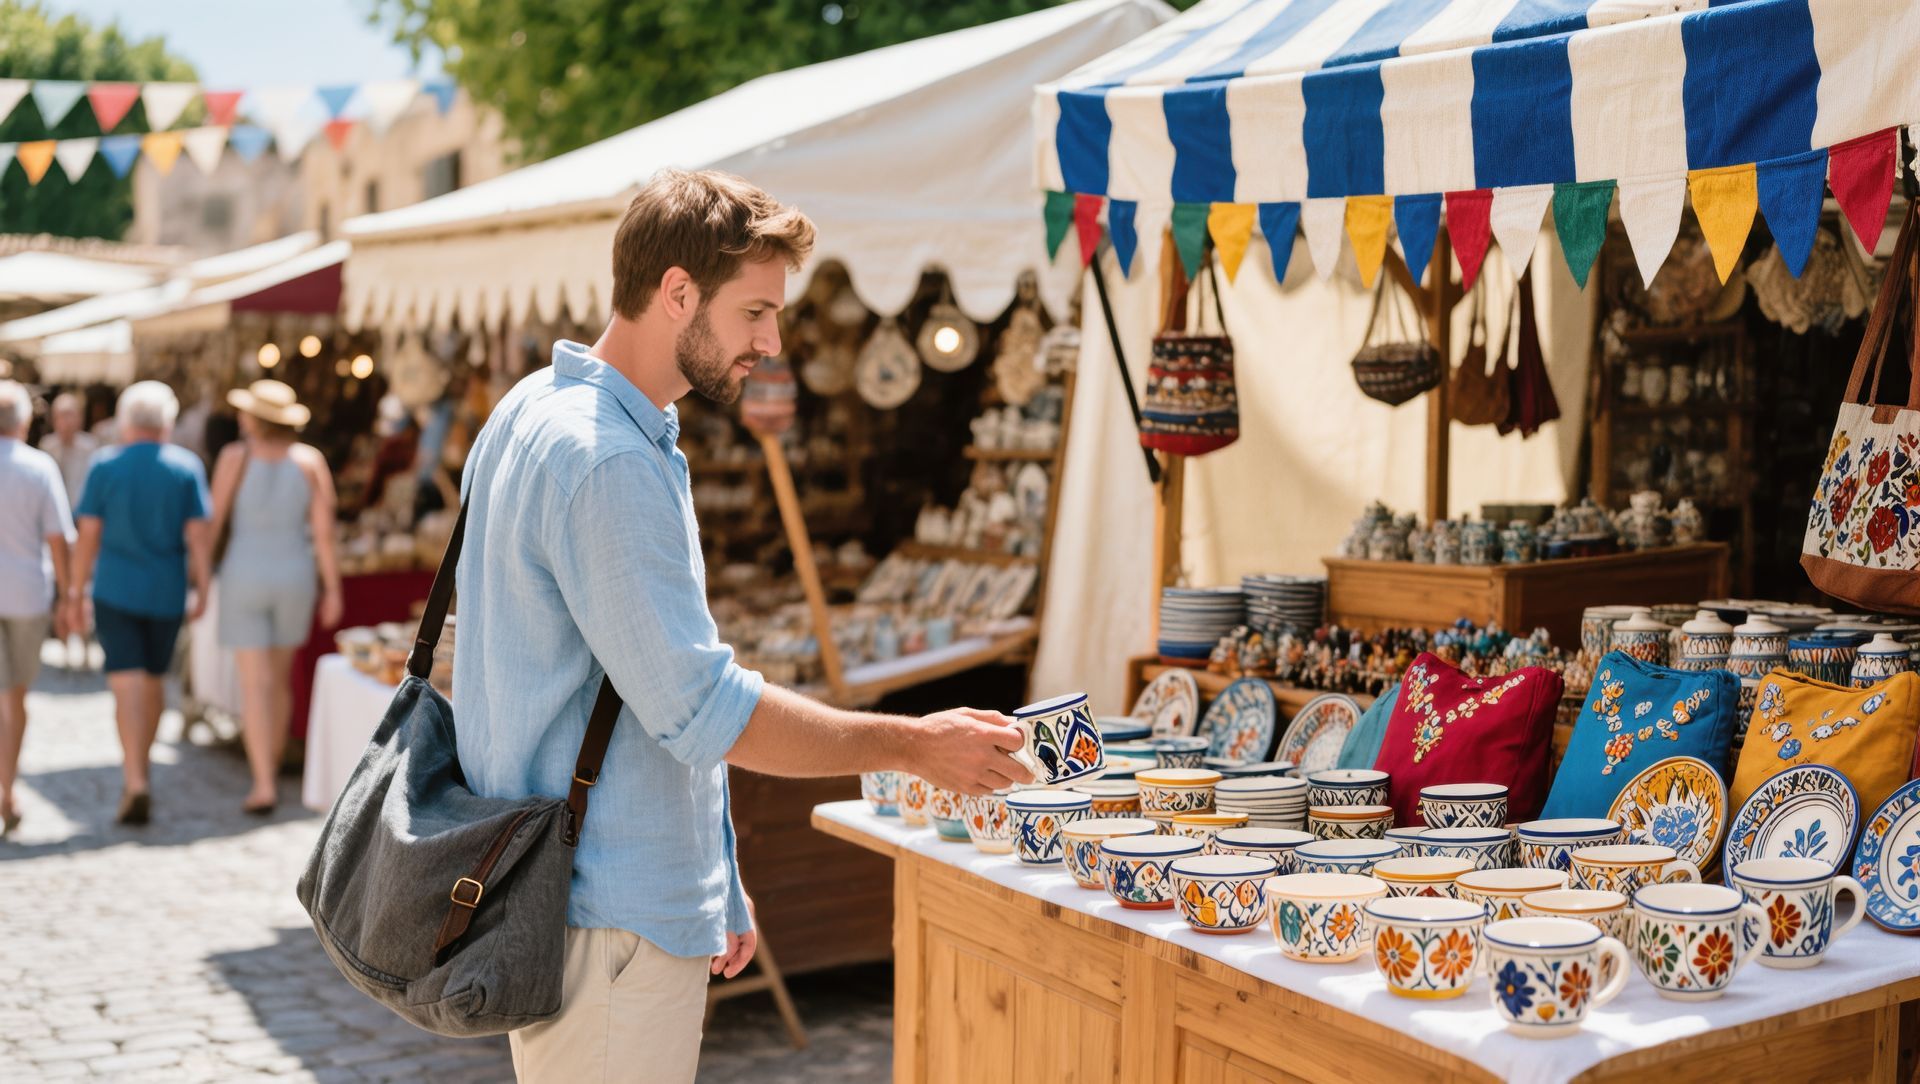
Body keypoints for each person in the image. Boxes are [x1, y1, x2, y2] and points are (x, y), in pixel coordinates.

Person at [456, 169, 1030, 1084]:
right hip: (607, 913)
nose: (770, 341)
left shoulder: (535, 410)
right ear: (676, 290)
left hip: (578, 895)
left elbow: (646, 690)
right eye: (755, 312)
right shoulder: (606, 457)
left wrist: (712, 868)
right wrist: (914, 746)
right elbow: (700, 708)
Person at [66, 381, 211, 826]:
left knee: (125, 685)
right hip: (165, 592)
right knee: (152, 683)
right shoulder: (185, 466)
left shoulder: (105, 465)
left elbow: (87, 534)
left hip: (115, 589)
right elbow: (198, 535)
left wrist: (74, 591)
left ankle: (135, 779)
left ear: (125, 421)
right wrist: (203, 586)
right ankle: (142, 768)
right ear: (166, 421)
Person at [207, 379, 343, 815]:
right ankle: (274, 763)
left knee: (254, 683)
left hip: (243, 574)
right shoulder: (309, 461)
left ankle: (263, 780)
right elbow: (324, 532)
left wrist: (199, 575)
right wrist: (333, 588)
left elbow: (215, 522)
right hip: (294, 575)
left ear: (255, 419)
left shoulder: (234, 457)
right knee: (280, 679)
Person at [0, 381, 73, 836]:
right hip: (26, 594)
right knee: (14, 698)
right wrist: (69, 595)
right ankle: (7, 788)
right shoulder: (39, 466)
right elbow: (59, 537)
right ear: (26, 421)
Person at [37, 392, 97, 511]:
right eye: (62, 416)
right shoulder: (47, 446)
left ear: (80, 418)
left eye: (70, 415)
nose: (67, 421)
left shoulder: (90, 446)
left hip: (81, 511)